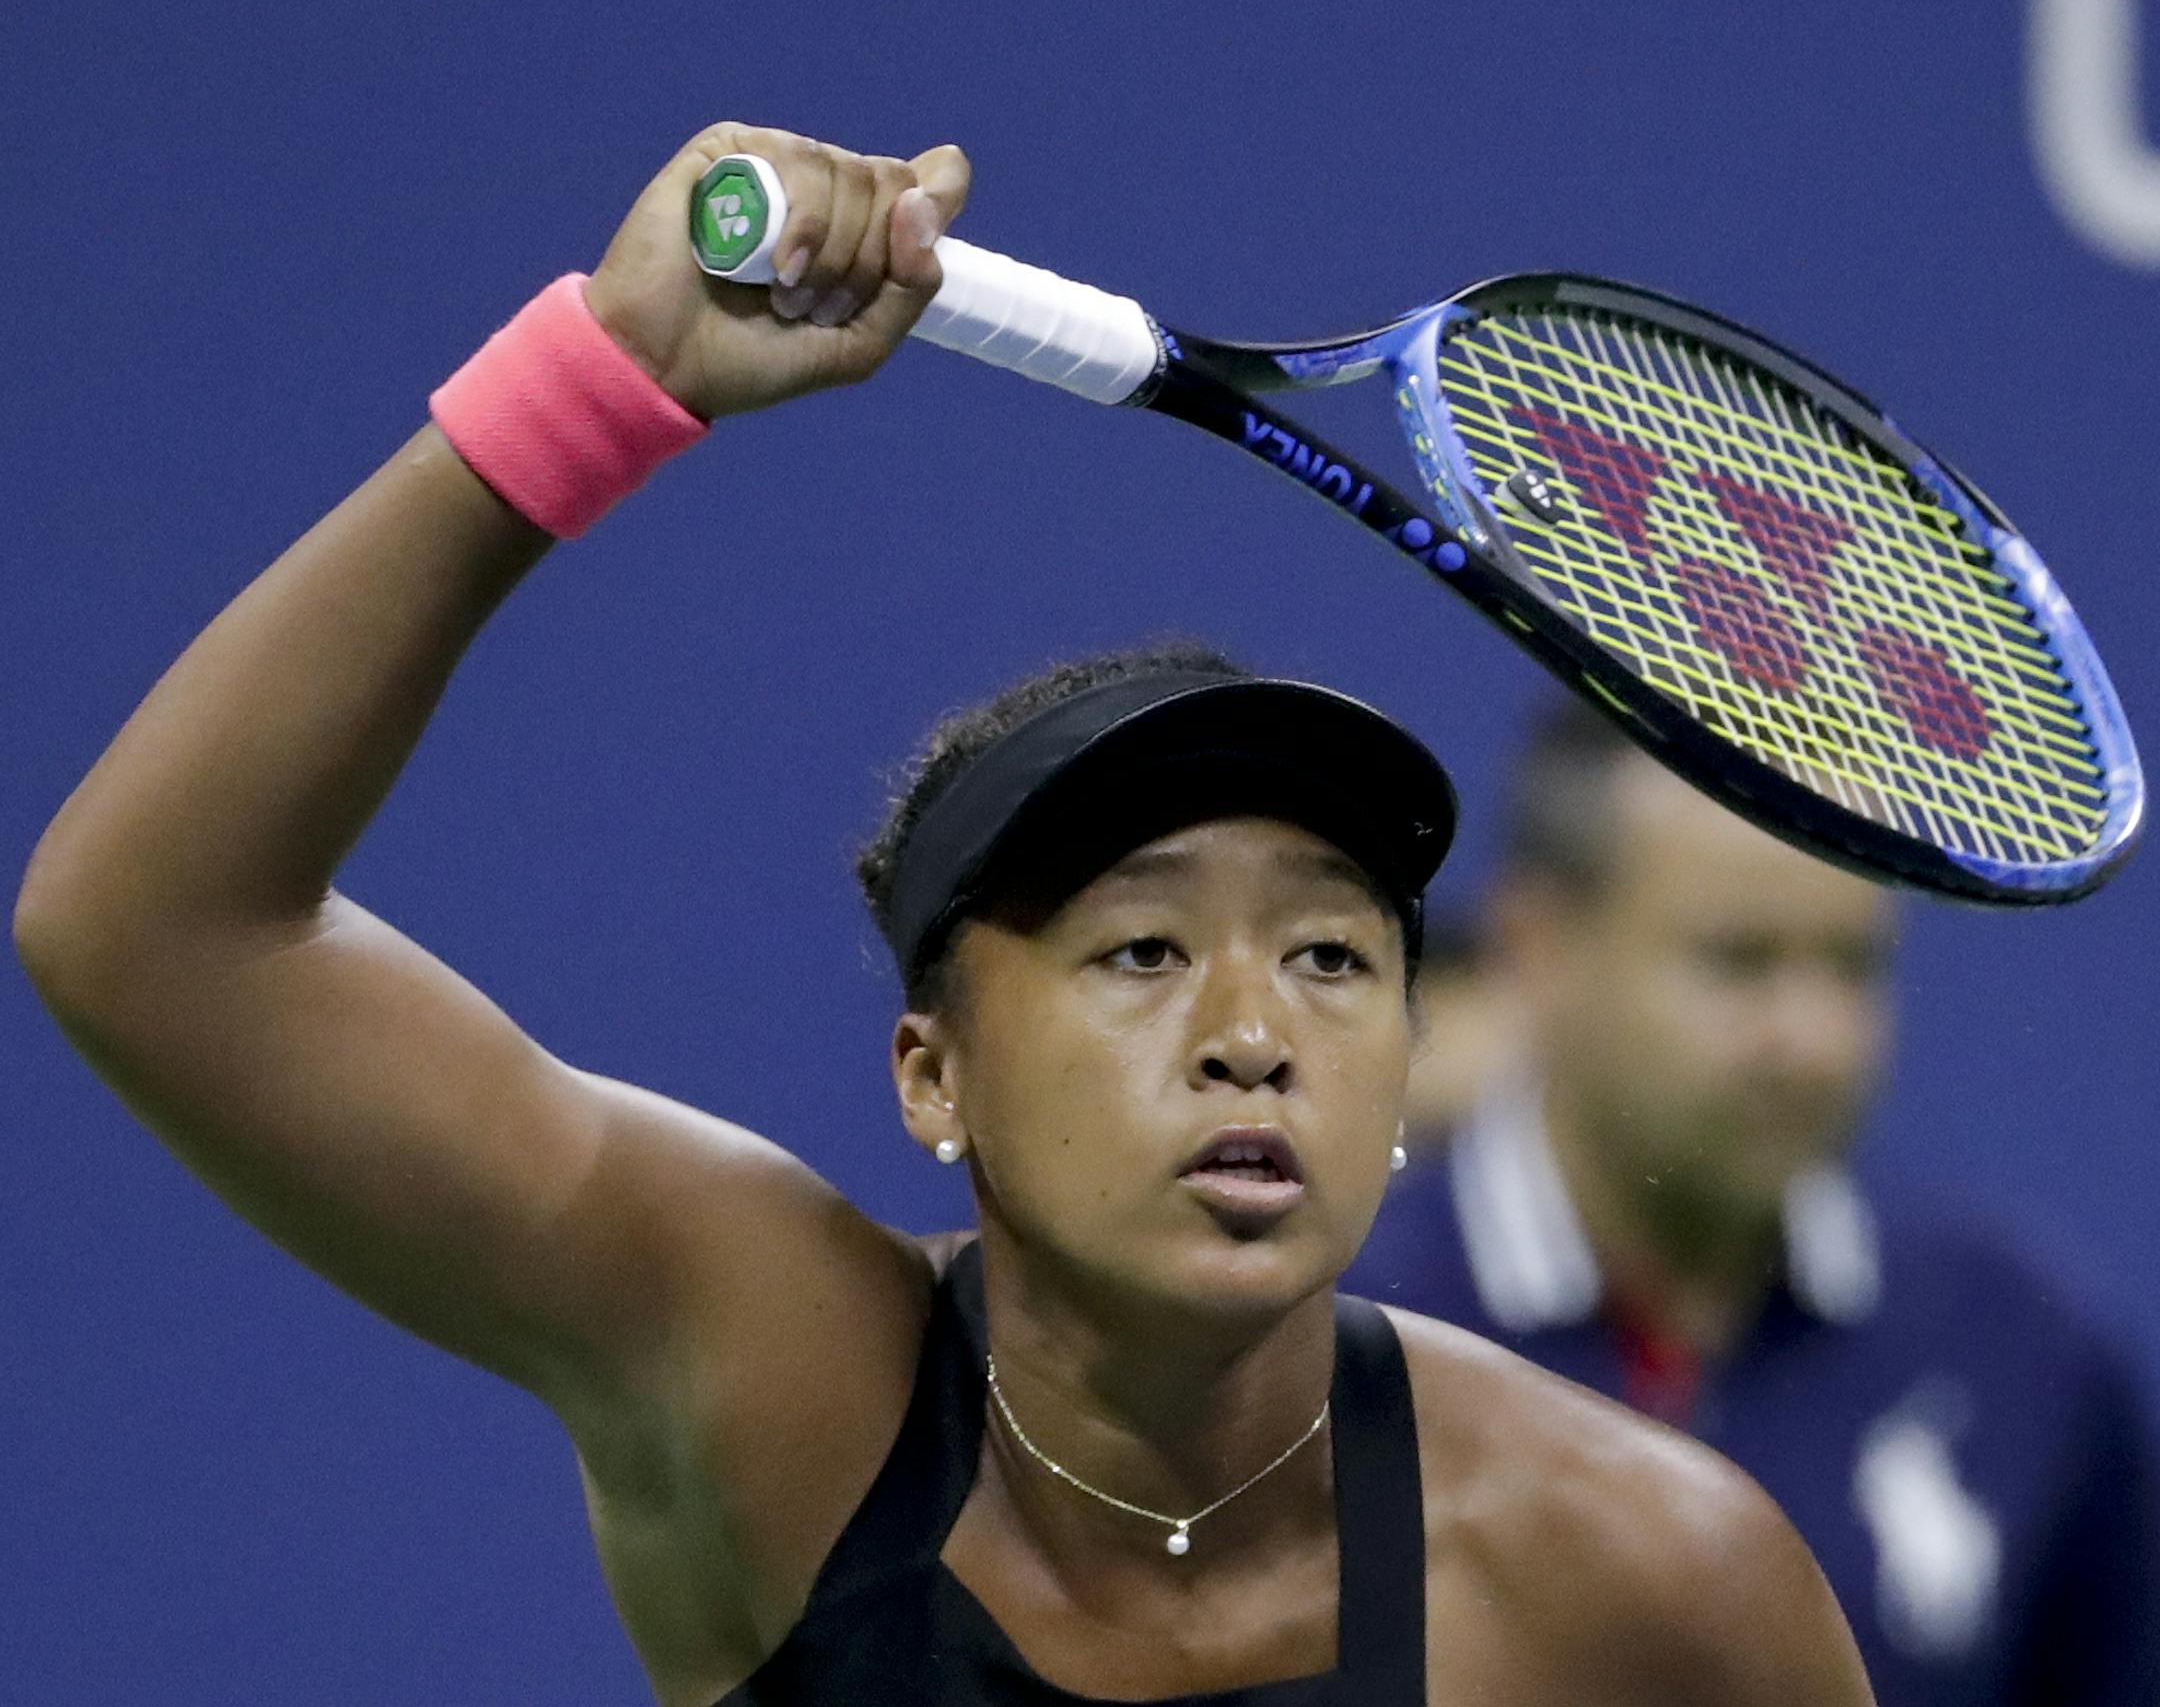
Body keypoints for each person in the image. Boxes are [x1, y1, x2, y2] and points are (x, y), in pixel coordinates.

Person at [14, 122, 1879, 1705]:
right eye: (1142, 951)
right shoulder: (761, 1365)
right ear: (934, 1073)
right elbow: (154, 930)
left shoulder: (1654, 1585)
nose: (1254, 1029)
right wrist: (608, 372)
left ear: (1411, 1068)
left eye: (1333, 955)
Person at [1347, 699, 2160, 1706]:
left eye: (1852, 965)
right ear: (1536, 947)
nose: (1812, 1039)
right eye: (1739, 959)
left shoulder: (2032, 1354)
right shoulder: (1319, 1340)